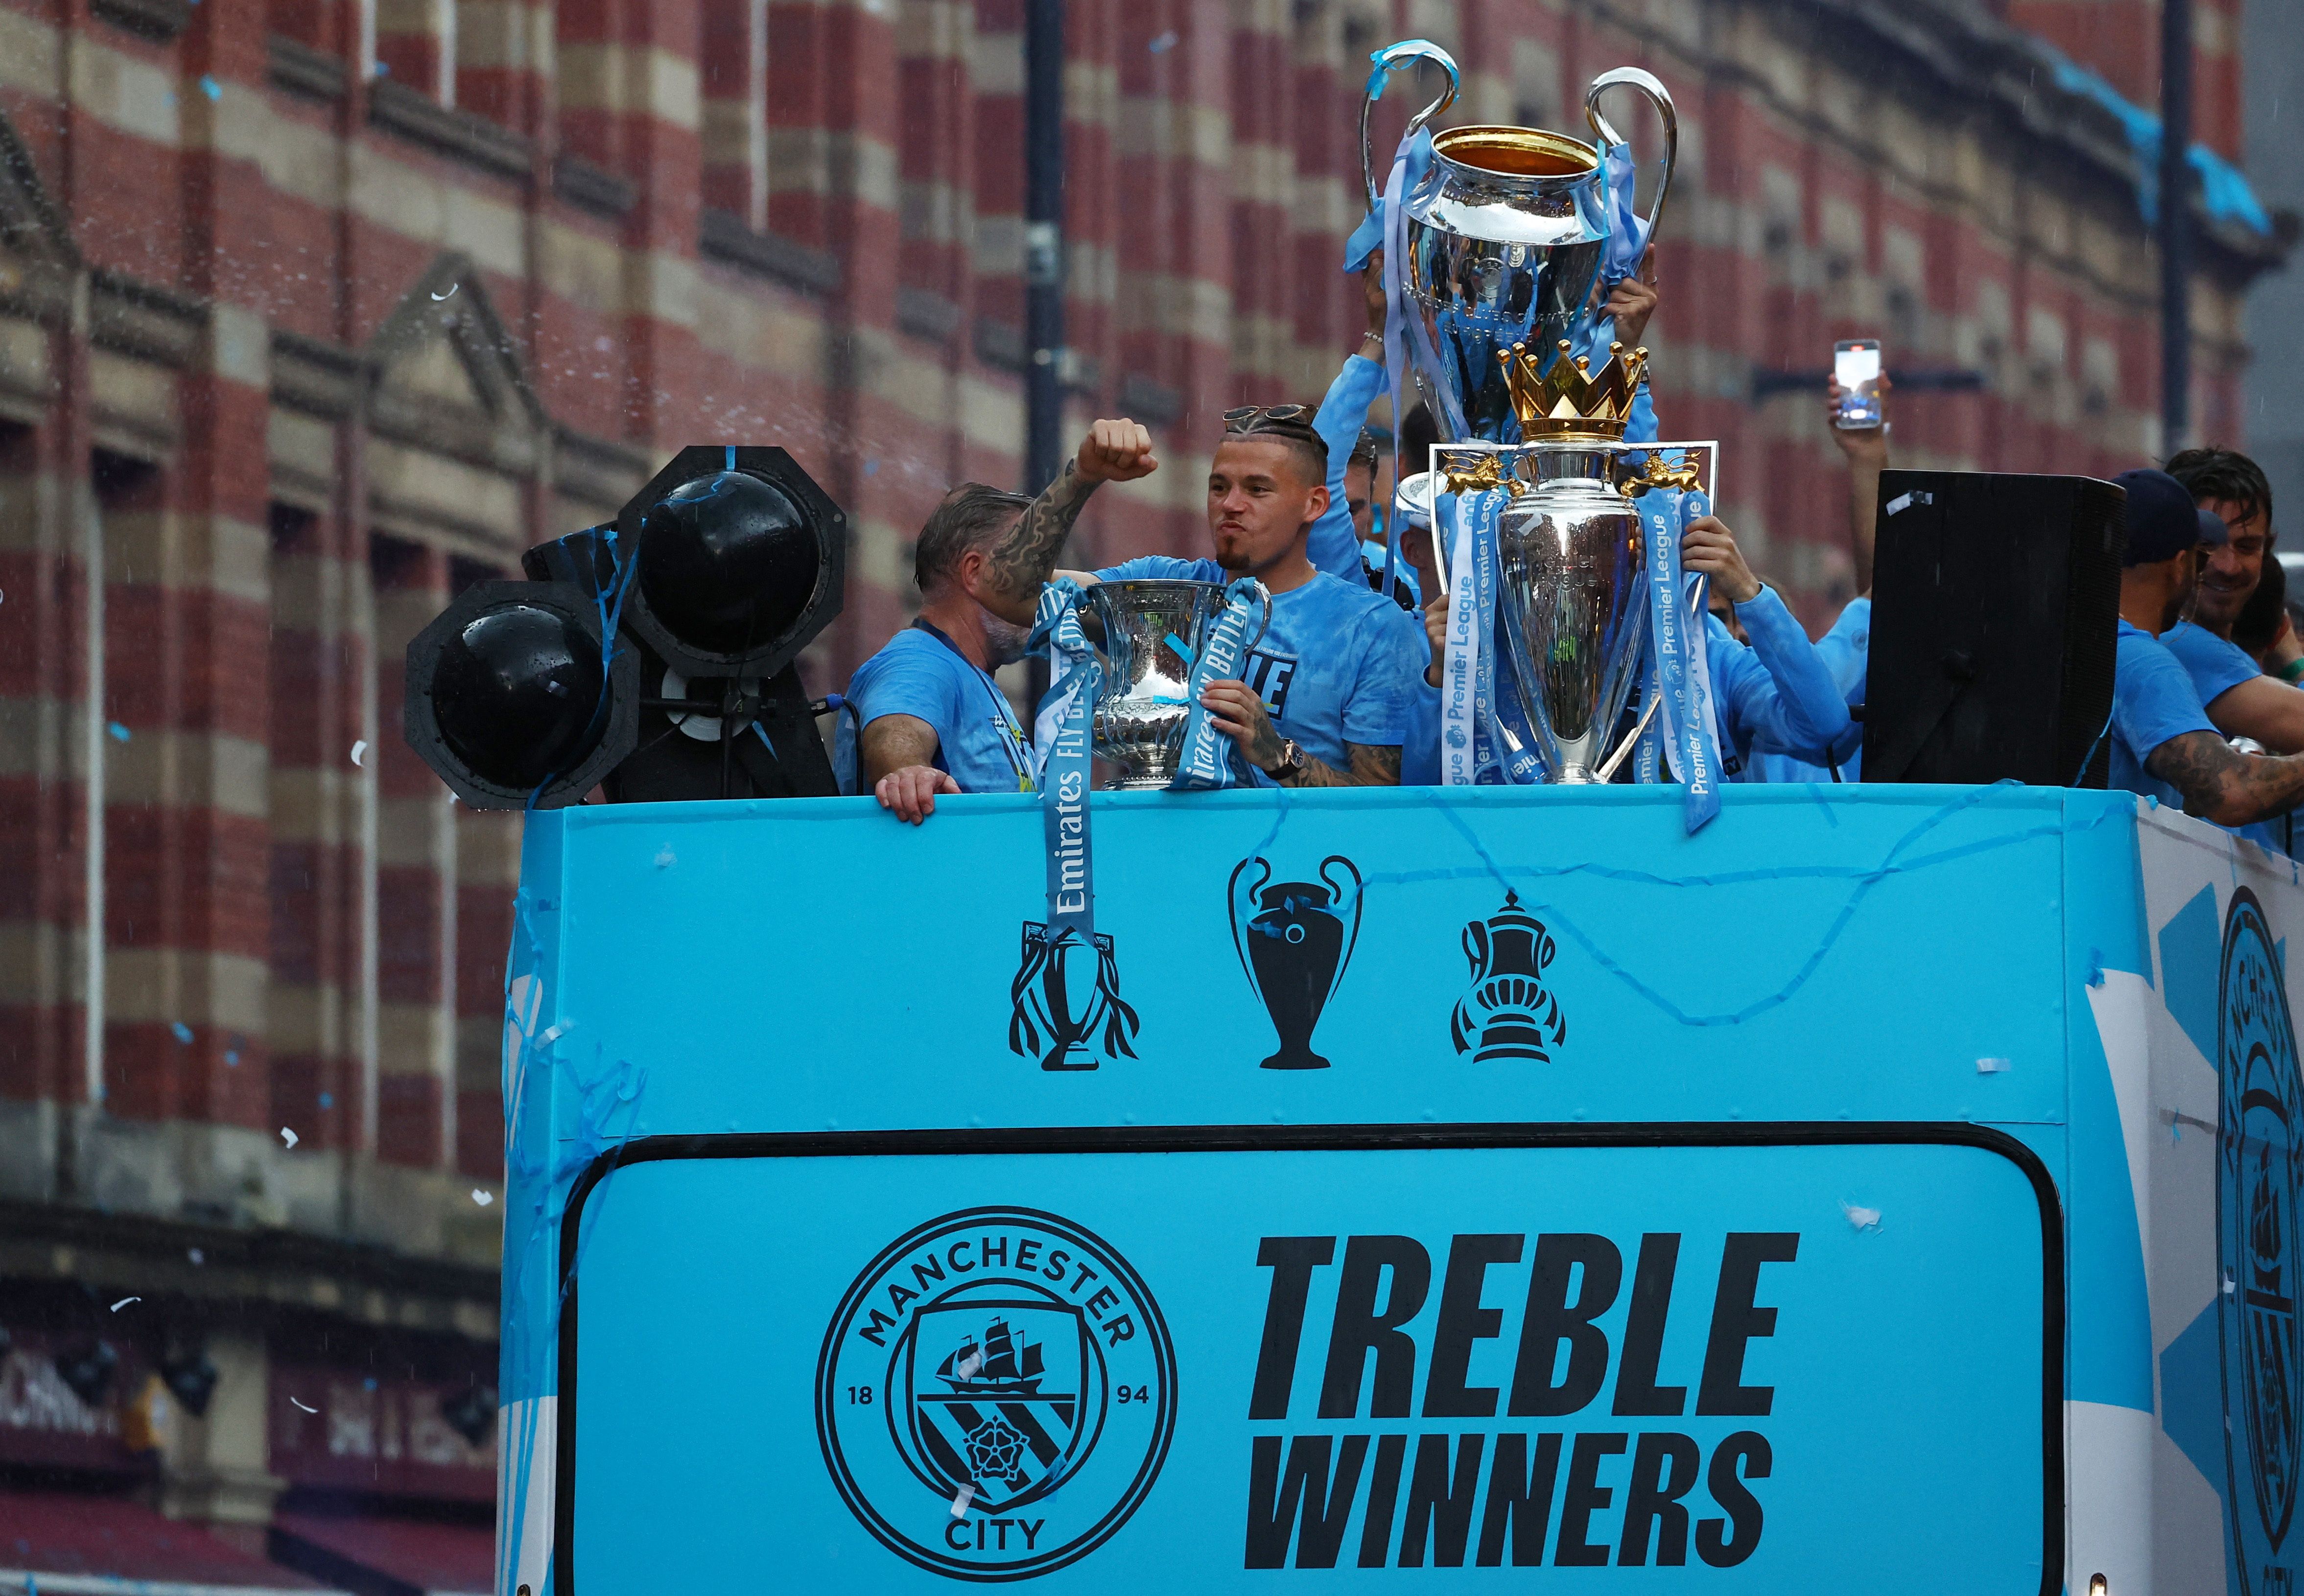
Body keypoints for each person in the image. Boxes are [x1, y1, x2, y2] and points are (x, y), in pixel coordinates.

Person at [976, 410, 1428, 787]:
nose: (1231, 504)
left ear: (1314, 505)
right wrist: (1082, 477)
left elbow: (1377, 804)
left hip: (1281, 880)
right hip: (1158, 862)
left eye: (1257, 489)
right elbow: (1005, 591)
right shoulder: (1158, 588)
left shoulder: (1369, 625)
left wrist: (1277, 754)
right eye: (1219, 487)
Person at [1401, 513, 1854, 783]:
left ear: (1645, 556)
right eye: (1556, 556)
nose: (1578, 571)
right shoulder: (1500, 655)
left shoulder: (1707, 656)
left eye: (1604, 547)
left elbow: (1823, 727)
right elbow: (1421, 798)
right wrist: (1445, 678)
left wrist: (1752, 598)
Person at [846, 428, 1156, 822]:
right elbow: (895, 729)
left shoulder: (969, 672)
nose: (1047, 591)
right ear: (975, 572)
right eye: (1030, 573)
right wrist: (906, 772)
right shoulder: (920, 660)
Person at [2107, 467, 2304, 831]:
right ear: (2181, 565)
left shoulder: (2074, 642)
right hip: (2099, 882)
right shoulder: (2142, 660)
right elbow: (2231, 793)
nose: (2224, 568)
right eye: (2203, 556)